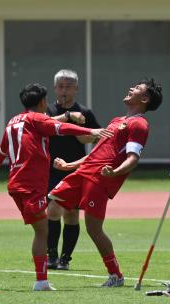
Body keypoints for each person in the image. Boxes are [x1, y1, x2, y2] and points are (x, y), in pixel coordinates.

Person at [0, 83, 112, 291]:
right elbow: (61, 128)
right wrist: (91, 130)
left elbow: (2, 150)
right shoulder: (37, 118)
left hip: (15, 183)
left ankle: (46, 273)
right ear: (42, 102)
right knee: (41, 231)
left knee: (42, 227)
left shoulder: (13, 122)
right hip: (30, 183)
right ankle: (41, 281)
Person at [47, 79, 163, 288]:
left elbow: (133, 158)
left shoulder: (139, 124)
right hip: (83, 172)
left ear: (144, 99)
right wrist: (68, 166)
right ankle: (49, 262)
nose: (130, 88)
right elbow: (97, 153)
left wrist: (114, 172)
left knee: (94, 228)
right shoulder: (116, 120)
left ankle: (115, 275)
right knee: (52, 207)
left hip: (100, 179)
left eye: (136, 88)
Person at [46, 70, 101, 271]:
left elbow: (97, 136)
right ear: (54, 88)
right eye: (60, 86)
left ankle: (65, 259)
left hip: (76, 170)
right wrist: (68, 117)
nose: (64, 90)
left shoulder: (85, 113)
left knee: (71, 214)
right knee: (52, 211)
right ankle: (51, 255)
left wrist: (84, 134)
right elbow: (45, 126)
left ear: (76, 89)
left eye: (68, 86)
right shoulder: (49, 111)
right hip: (52, 169)